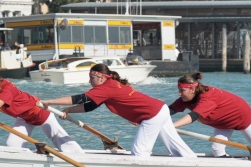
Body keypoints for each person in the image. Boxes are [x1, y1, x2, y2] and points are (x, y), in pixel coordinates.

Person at [41, 63, 196, 158]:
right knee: (175, 145)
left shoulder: (106, 87)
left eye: (91, 78)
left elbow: (80, 98)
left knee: (139, 152)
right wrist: (68, 110)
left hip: (153, 115)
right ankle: (191, 162)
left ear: (100, 77)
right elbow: (90, 106)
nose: (89, 81)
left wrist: (49, 101)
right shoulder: (111, 85)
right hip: (160, 109)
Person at [169, 72, 251, 156]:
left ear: (192, 89)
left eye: (182, 90)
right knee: (217, 149)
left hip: (240, 114)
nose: (179, 93)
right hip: (222, 121)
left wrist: (172, 126)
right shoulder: (185, 98)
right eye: (179, 90)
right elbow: (168, 110)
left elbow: (193, 116)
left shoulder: (207, 98)